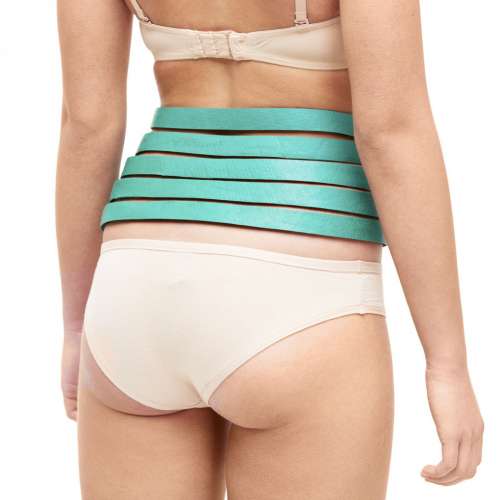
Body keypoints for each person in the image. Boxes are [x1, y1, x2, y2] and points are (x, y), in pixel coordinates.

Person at [55, 0, 484, 498]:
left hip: (134, 285)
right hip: (299, 287)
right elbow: (390, 132)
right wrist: (446, 366)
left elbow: (87, 129)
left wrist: (76, 329)